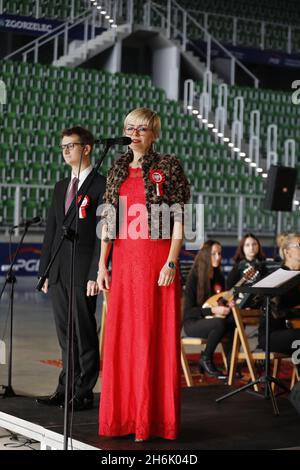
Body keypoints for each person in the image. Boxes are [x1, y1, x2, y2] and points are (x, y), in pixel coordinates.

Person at [97, 107, 190, 442]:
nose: (134, 134)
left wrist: (171, 261)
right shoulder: (117, 166)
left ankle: (151, 420)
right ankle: (122, 417)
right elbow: (108, 220)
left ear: (154, 134)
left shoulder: (168, 166)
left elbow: (179, 217)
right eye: (129, 128)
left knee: (152, 338)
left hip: (155, 260)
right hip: (123, 262)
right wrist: (102, 265)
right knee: (122, 339)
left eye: (142, 129)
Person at [36, 126, 106, 411]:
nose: (65, 151)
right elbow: (51, 232)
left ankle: (85, 390)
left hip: (83, 271)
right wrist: (45, 271)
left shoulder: (102, 185)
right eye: (63, 146)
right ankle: (66, 387)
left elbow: (104, 234)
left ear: (87, 148)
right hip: (59, 272)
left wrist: (94, 273)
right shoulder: (61, 186)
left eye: (71, 146)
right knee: (65, 333)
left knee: (84, 332)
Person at [183, 240, 235, 378]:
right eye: (213, 254)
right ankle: (206, 358)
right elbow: (188, 312)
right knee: (220, 323)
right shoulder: (193, 278)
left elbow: (220, 301)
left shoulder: (218, 276)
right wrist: (213, 311)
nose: (218, 257)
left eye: (219, 253)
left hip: (210, 320)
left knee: (233, 322)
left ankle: (232, 367)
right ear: (206, 255)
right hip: (193, 323)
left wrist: (227, 305)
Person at [258, 232, 300, 358]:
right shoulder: (278, 277)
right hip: (272, 334)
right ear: (287, 252)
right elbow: (276, 312)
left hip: (293, 330)